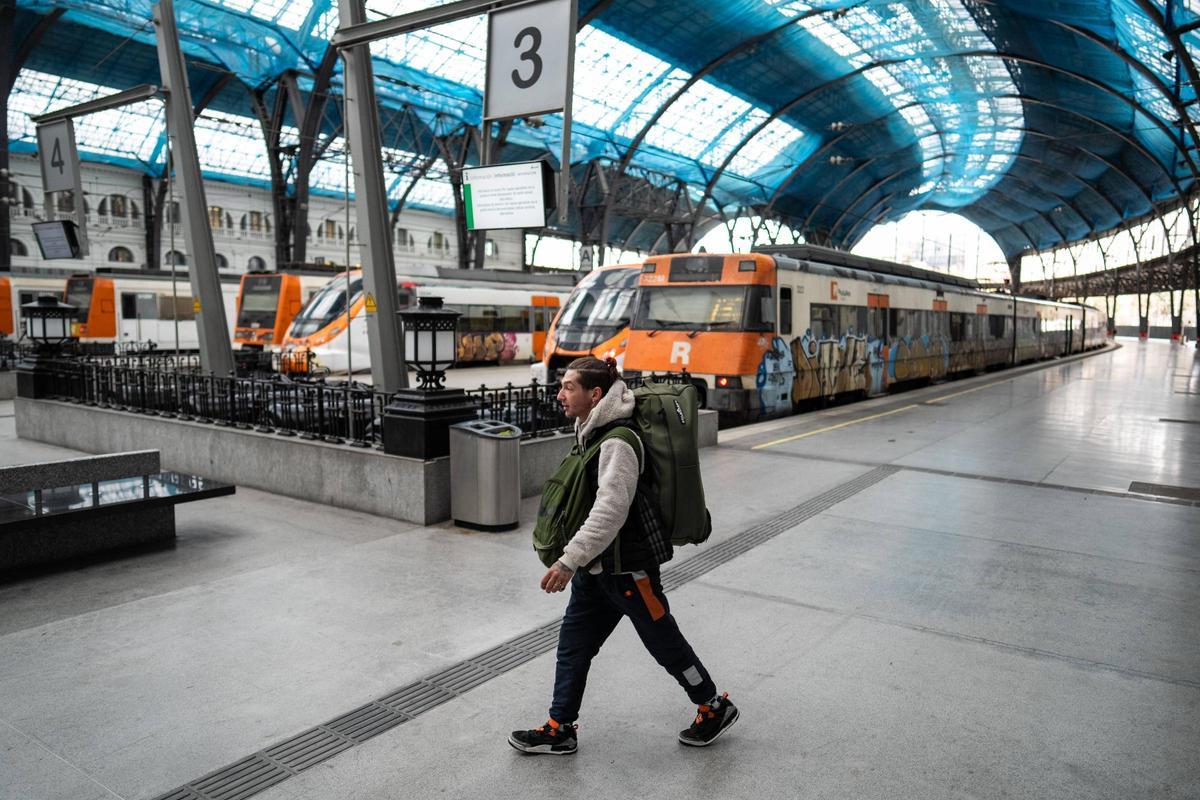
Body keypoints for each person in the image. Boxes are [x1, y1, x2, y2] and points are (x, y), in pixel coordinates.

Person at [508, 356, 737, 755]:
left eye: (569, 387)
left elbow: (610, 511)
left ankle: (713, 706)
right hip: (596, 569)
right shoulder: (591, 431)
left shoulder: (617, 442)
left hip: (629, 570)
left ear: (595, 394)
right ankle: (560, 727)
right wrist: (580, 562)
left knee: (664, 642)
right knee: (573, 647)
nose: (560, 394)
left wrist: (568, 560)